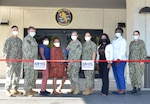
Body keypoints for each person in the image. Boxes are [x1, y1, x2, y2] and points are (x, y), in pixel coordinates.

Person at [3, 26, 23, 97]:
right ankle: (7, 90)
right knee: (9, 75)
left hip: (18, 61)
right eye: (14, 30)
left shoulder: (20, 41)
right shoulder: (8, 40)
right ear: (12, 31)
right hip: (10, 61)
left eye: (16, 30)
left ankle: (15, 89)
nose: (15, 31)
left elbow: (21, 51)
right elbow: (5, 51)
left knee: (17, 76)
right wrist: (6, 61)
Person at [128, 30, 147, 95]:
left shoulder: (141, 43)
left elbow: (143, 52)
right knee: (132, 75)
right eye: (134, 34)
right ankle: (134, 88)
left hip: (138, 62)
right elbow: (130, 53)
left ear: (139, 35)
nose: (135, 36)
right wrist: (129, 61)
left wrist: (142, 60)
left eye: (136, 34)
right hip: (132, 62)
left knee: (138, 75)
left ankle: (138, 88)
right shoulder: (131, 43)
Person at [23, 26, 38, 96]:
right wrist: (29, 60)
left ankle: (30, 89)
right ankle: (26, 90)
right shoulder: (27, 40)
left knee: (33, 75)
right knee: (28, 75)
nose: (33, 33)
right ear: (28, 32)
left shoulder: (33, 40)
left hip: (34, 61)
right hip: (29, 61)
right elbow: (26, 51)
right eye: (31, 31)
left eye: (34, 31)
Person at [112, 27, 127, 95]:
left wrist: (119, 59)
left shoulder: (123, 40)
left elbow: (122, 51)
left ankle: (122, 89)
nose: (117, 33)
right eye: (116, 31)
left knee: (120, 74)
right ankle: (119, 88)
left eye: (118, 31)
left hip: (120, 60)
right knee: (116, 75)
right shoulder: (114, 40)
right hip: (113, 60)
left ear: (121, 33)